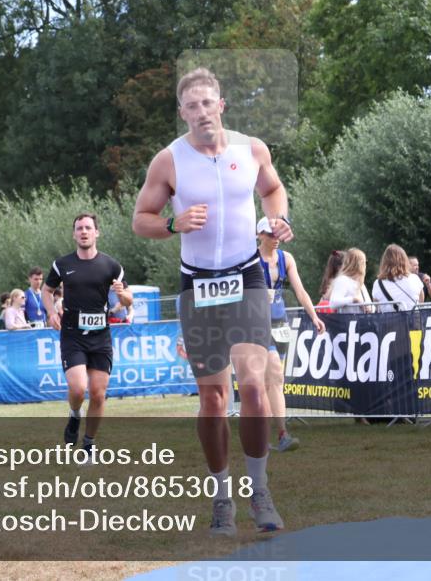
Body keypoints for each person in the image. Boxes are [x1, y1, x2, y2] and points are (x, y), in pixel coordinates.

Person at [132, 67, 290, 535]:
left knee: (256, 386)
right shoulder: (169, 161)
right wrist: (173, 226)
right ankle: (222, 497)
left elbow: (274, 190)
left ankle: (259, 492)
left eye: (208, 103)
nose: (202, 113)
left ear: (221, 106)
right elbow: (142, 219)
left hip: (245, 277)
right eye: (192, 106)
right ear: (182, 113)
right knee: (214, 399)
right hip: (197, 286)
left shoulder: (252, 149)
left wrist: (275, 221)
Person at [42, 213, 132, 457]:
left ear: (96, 233)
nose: (83, 232)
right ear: (74, 234)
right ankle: (74, 415)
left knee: (98, 393)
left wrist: (121, 293)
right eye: (79, 228)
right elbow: (46, 289)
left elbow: (128, 299)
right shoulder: (62, 264)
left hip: (100, 336)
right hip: (72, 334)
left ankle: (89, 444)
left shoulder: (112, 266)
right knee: (79, 388)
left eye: (88, 228)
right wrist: (51, 312)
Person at [256, 217, 326, 452]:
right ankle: (275, 434)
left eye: (277, 235)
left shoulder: (287, 259)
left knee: (275, 380)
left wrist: (314, 316)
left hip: (279, 322)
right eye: (270, 235)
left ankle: (277, 434)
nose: (275, 239)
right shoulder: (250, 260)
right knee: (272, 371)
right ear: (260, 236)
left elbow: (300, 290)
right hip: (255, 324)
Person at [371, 244, 424, 312]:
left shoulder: (378, 283)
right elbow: (421, 303)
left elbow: (377, 307)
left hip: (388, 321)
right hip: (412, 321)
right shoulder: (415, 279)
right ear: (405, 260)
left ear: (384, 262)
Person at [329, 248, 373, 313]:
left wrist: (369, 309)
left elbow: (371, 306)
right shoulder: (342, 280)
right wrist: (354, 299)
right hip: (348, 321)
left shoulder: (360, 283)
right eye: (364, 262)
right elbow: (333, 303)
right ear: (359, 264)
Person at [314, 250, 344, 314]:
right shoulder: (337, 281)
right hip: (333, 315)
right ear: (340, 267)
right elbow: (327, 297)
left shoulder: (329, 279)